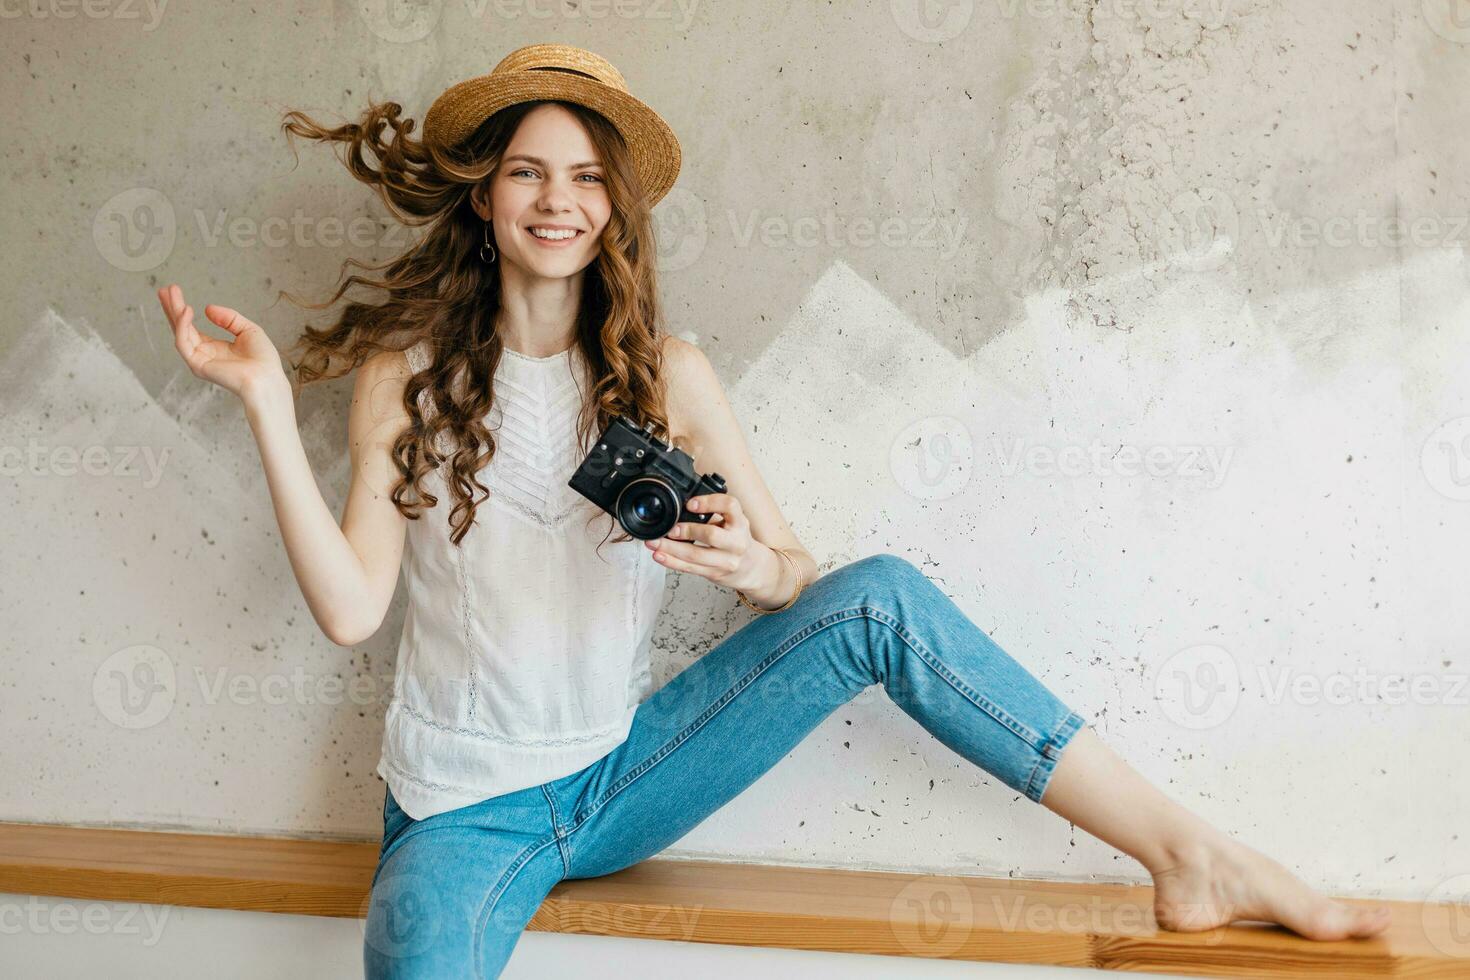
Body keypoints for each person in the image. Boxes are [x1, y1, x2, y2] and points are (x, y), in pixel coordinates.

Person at [155, 43, 1392, 980]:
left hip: (620, 770)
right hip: (458, 809)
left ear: (613, 208)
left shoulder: (668, 374)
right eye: (527, 170)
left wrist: (757, 565)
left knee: (881, 592)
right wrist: (267, 401)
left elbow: (801, 572)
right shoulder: (407, 376)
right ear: (484, 195)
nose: (557, 199)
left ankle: (1191, 850)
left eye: (586, 177)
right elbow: (350, 609)